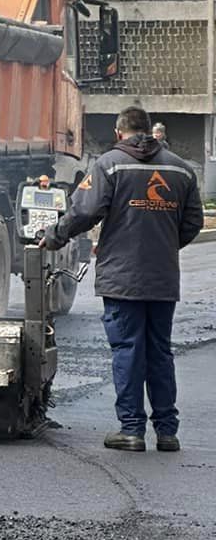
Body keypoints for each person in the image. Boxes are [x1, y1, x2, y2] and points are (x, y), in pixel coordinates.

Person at [43, 103, 203, 452]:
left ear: (119, 132)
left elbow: (83, 212)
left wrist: (54, 235)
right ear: (149, 131)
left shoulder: (109, 165)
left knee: (128, 350)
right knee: (159, 351)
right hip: (162, 278)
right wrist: (162, 246)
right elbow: (192, 223)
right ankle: (167, 432)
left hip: (122, 277)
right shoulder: (181, 170)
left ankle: (131, 430)